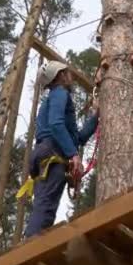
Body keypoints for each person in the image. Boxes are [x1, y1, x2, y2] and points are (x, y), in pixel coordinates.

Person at [24, 60, 98, 237]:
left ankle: (31, 242)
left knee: (44, 204)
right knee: (46, 206)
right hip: (53, 151)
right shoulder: (60, 93)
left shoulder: (53, 98)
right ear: (61, 76)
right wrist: (73, 155)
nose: (71, 76)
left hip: (46, 153)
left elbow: (77, 138)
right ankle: (32, 248)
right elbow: (56, 124)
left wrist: (96, 116)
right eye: (68, 72)